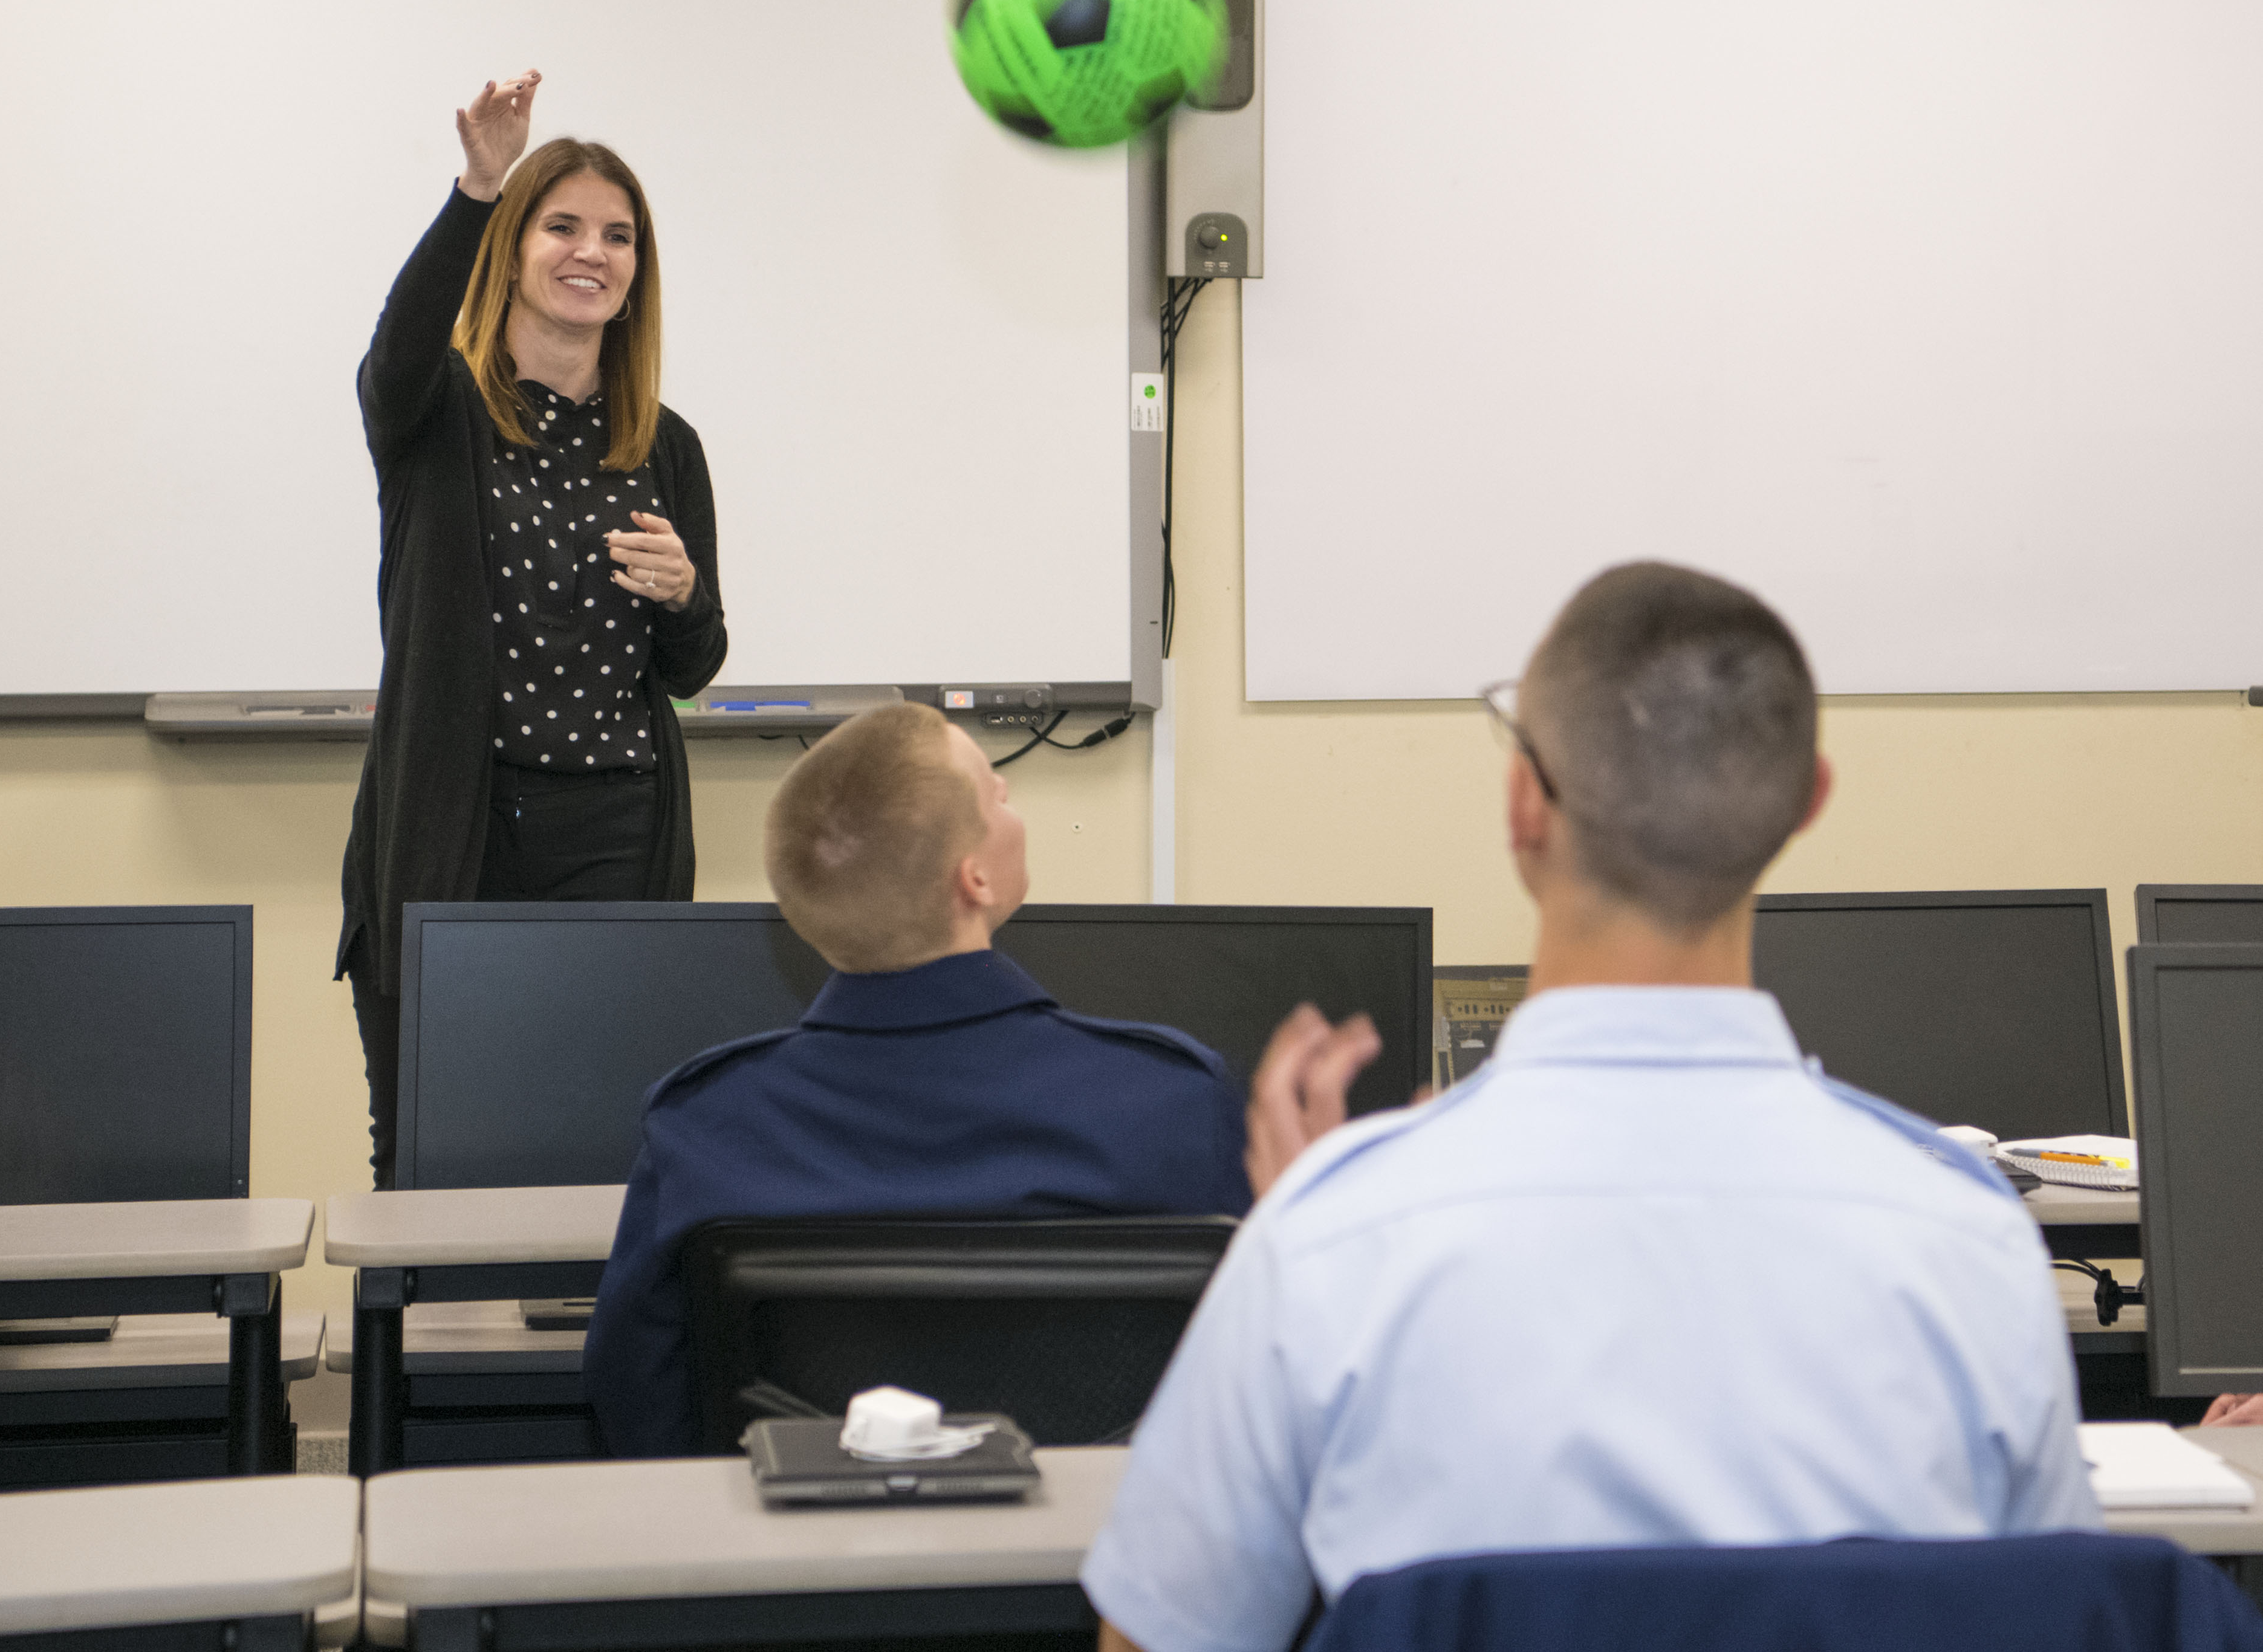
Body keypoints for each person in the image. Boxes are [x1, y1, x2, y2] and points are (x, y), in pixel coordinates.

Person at [1083, 562, 2099, 1652]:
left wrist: (1316, 1230)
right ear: (1805, 804)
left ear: (1524, 804)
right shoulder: (1977, 1246)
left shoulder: (1328, 1239)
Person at [581, 701, 1270, 1457]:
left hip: (809, 1565)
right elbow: (1261, 1380)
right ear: (973, 877)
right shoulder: (1169, 1101)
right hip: (1094, 1560)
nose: (1013, 809)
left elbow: (638, 1405)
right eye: (997, 794)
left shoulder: (703, 1126)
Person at [336, 71, 729, 1186]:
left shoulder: (668, 446)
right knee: (430, 1153)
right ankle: (410, 1367)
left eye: (616, 235)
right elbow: (396, 352)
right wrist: (479, 185)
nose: (589, 252)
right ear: (513, 247)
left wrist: (681, 596)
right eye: (561, 226)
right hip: (461, 828)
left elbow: (696, 668)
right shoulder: (436, 414)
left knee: (605, 1144)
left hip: (617, 828)